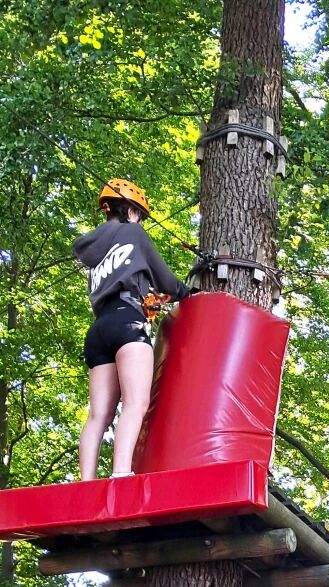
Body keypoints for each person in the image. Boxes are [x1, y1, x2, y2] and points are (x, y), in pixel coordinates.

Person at [73, 179, 189, 480]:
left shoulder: (97, 254)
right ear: (131, 211)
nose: (141, 221)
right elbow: (165, 278)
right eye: (140, 214)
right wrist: (184, 292)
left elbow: (122, 282)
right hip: (127, 322)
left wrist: (147, 296)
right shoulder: (133, 232)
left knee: (98, 416)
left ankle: (86, 483)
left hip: (99, 330)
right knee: (136, 402)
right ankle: (121, 473)